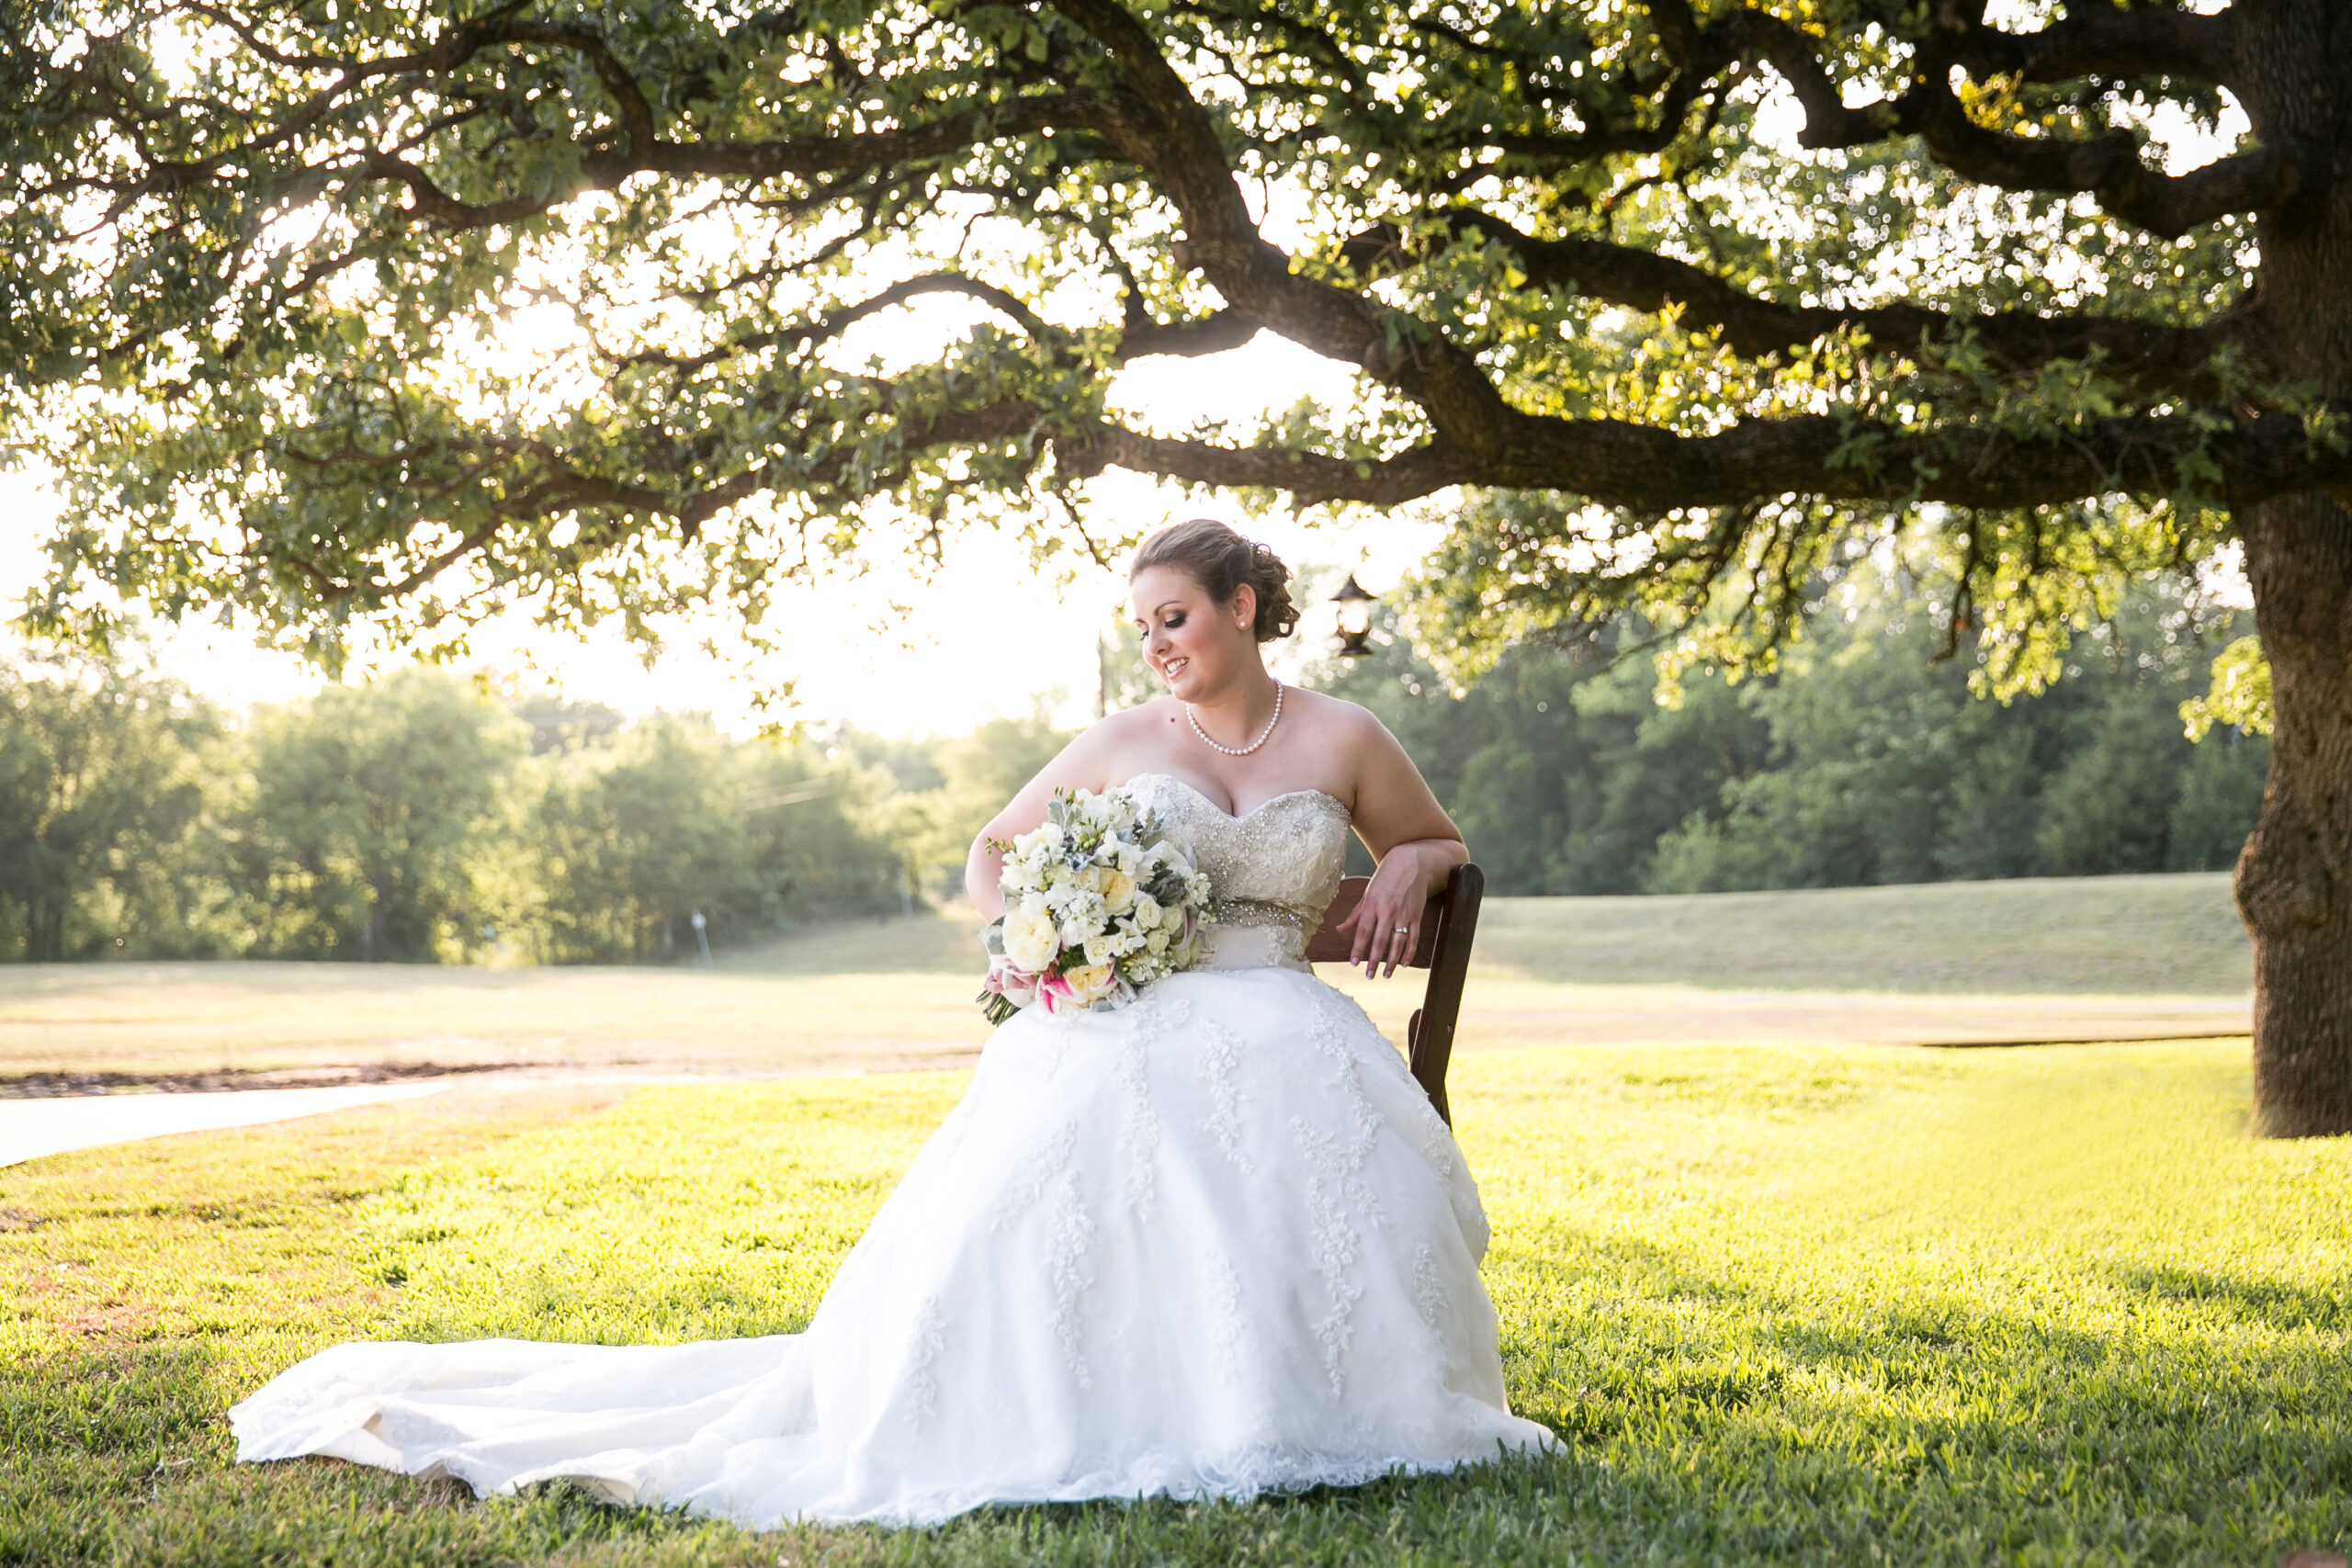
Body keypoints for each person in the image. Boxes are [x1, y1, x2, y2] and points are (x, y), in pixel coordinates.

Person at [231, 519, 1552, 1527]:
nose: (1158, 644)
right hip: (1131, 1014)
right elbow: (992, 851)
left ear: (1243, 608)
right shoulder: (1120, 739)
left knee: (1280, 1106)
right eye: (1143, 626)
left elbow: (1440, 843)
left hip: (1283, 1018)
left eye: (1176, 618)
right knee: (1107, 1119)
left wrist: (1415, 864)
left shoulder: (1343, 734)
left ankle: (1310, 1398)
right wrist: (1043, 934)